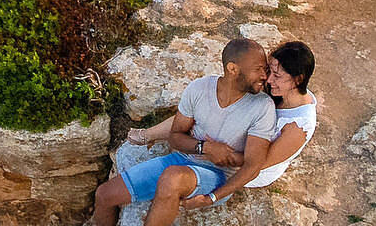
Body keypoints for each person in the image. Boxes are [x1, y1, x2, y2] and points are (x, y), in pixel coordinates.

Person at [69, 36, 278, 226]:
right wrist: (205, 148)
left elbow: (253, 166)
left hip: (216, 176)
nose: (266, 75)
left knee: (171, 179)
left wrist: (214, 196)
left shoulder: (262, 107)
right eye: (259, 69)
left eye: (266, 69)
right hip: (184, 161)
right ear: (232, 69)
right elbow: (177, 136)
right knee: (104, 195)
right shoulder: (199, 89)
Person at [128, 40, 317, 191]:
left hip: (249, 165)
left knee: (207, 124)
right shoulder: (279, 89)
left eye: (277, 76)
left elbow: (259, 164)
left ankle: (155, 138)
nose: (268, 79)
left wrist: (217, 151)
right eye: (269, 71)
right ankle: (148, 135)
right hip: (248, 133)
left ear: (298, 80)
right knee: (205, 110)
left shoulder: (299, 126)